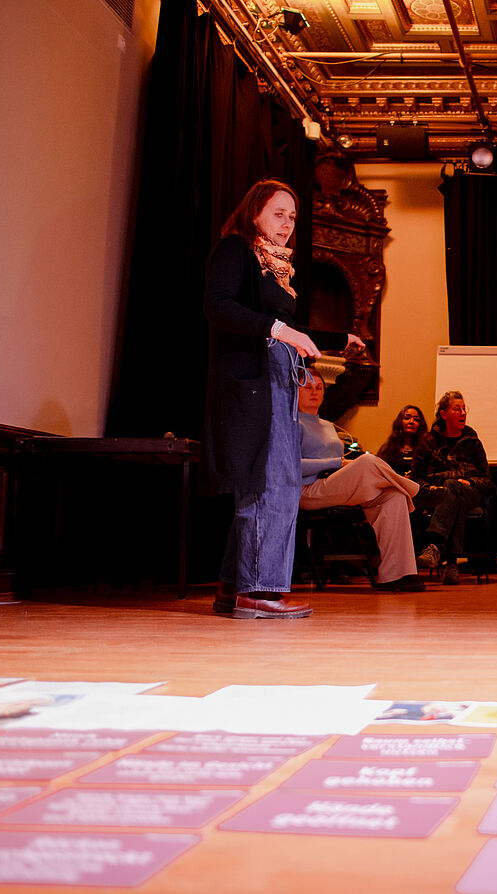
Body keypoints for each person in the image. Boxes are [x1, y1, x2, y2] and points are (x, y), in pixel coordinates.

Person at [203, 179, 365, 620]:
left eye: (292, 217)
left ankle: (232, 587)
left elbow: (288, 324)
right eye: (278, 213)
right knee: (270, 483)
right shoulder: (236, 250)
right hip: (250, 387)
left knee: (274, 480)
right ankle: (259, 592)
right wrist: (277, 331)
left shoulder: (276, 267)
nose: (287, 224)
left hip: (275, 378)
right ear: (254, 212)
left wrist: (338, 339)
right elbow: (217, 306)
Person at [295, 375, 424, 592]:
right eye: (307, 387)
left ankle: (396, 574)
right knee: (366, 461)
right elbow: (291, 465)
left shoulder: (328, 426)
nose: (314, 391)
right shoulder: (291, 424)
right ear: (295, 391)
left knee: (393, 495)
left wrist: (340, 464)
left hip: (332, 484)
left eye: (319, 387)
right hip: (306, 490)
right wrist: (337, 462)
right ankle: (417, 492)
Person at [412, 391, 493, 585]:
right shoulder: (428, 442)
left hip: (470, 490)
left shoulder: (473, 442)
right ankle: (452, 564)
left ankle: (434, 542)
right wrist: (429, 488)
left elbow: (488, 480)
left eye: (464, 409)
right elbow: (416, 476)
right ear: (443, 414)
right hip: (439, 494)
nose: (463, 413)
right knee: (453, 498)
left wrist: (472, 483)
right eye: (457, 409)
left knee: (452, 488)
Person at [378, 405, 428, 476]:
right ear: (400, 422)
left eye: (416, 419)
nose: (411, 422)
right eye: (407, 418)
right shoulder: (387, 449)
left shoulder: (426, 449)